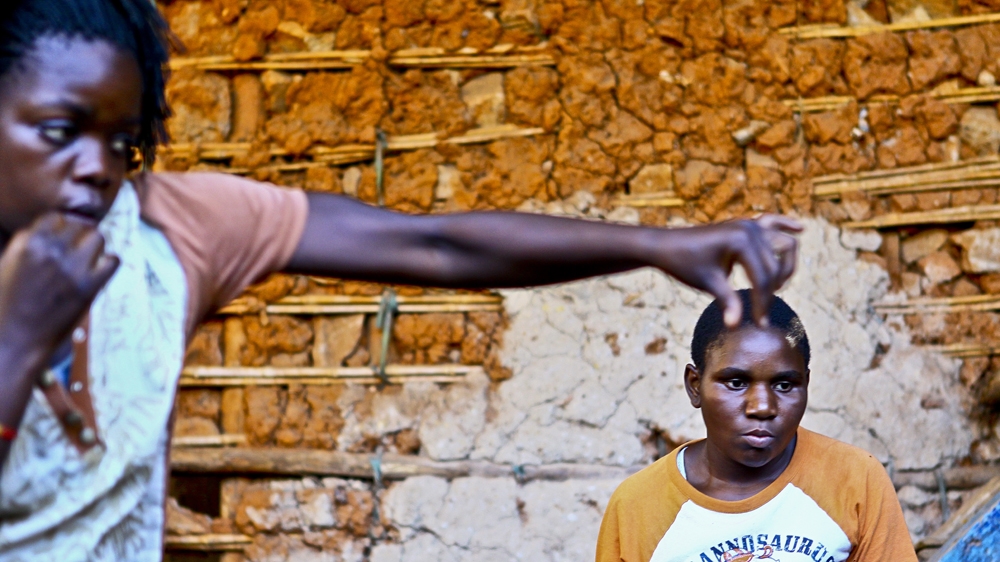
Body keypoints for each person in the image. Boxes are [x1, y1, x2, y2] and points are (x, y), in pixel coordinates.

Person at [0, 0, 801, 559]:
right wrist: (18, 339)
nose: (96, 171)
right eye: (61, 132)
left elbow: (437, 245)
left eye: (125, 144)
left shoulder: (168, 233)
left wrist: (661, 244)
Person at [595, 290, 916, 562]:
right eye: (735, 382)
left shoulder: (855, 479)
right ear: (695, 385)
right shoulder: (637, 505)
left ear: (806, 384)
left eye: (785, 385)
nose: (762, 407)